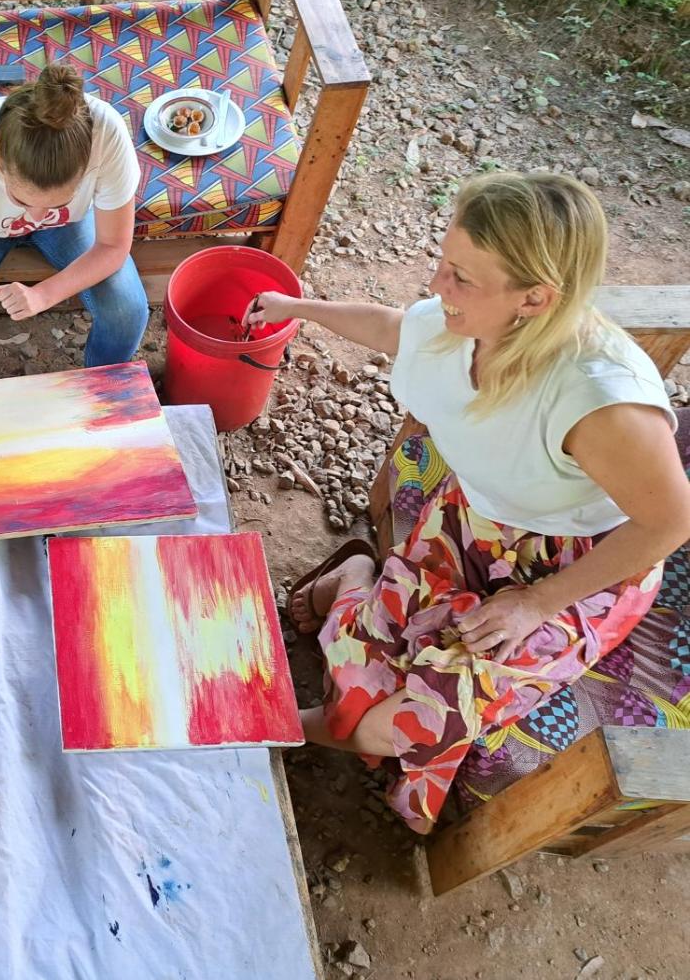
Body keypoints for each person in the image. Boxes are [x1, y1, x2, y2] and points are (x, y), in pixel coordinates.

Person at [246, 171, 690, 832]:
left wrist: (537, 602)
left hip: (581, 564)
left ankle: (299, 724)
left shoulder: (602, 403)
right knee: (379, 644)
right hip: (477, 519)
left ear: (535, 298)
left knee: (427, 715)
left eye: (460, 276)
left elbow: (670, 522)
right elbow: (395, 328)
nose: (436, 285)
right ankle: (355, 580)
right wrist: (297, 308)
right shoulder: (462, 325)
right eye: (443, 262)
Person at [0, 62, 148, 392]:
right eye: (21, 200)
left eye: (57, 202)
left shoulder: (107, 135)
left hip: (69, 225)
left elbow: (113, 246)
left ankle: (101, 387)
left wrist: (43, 294)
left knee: (126, 312)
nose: (35, 218)